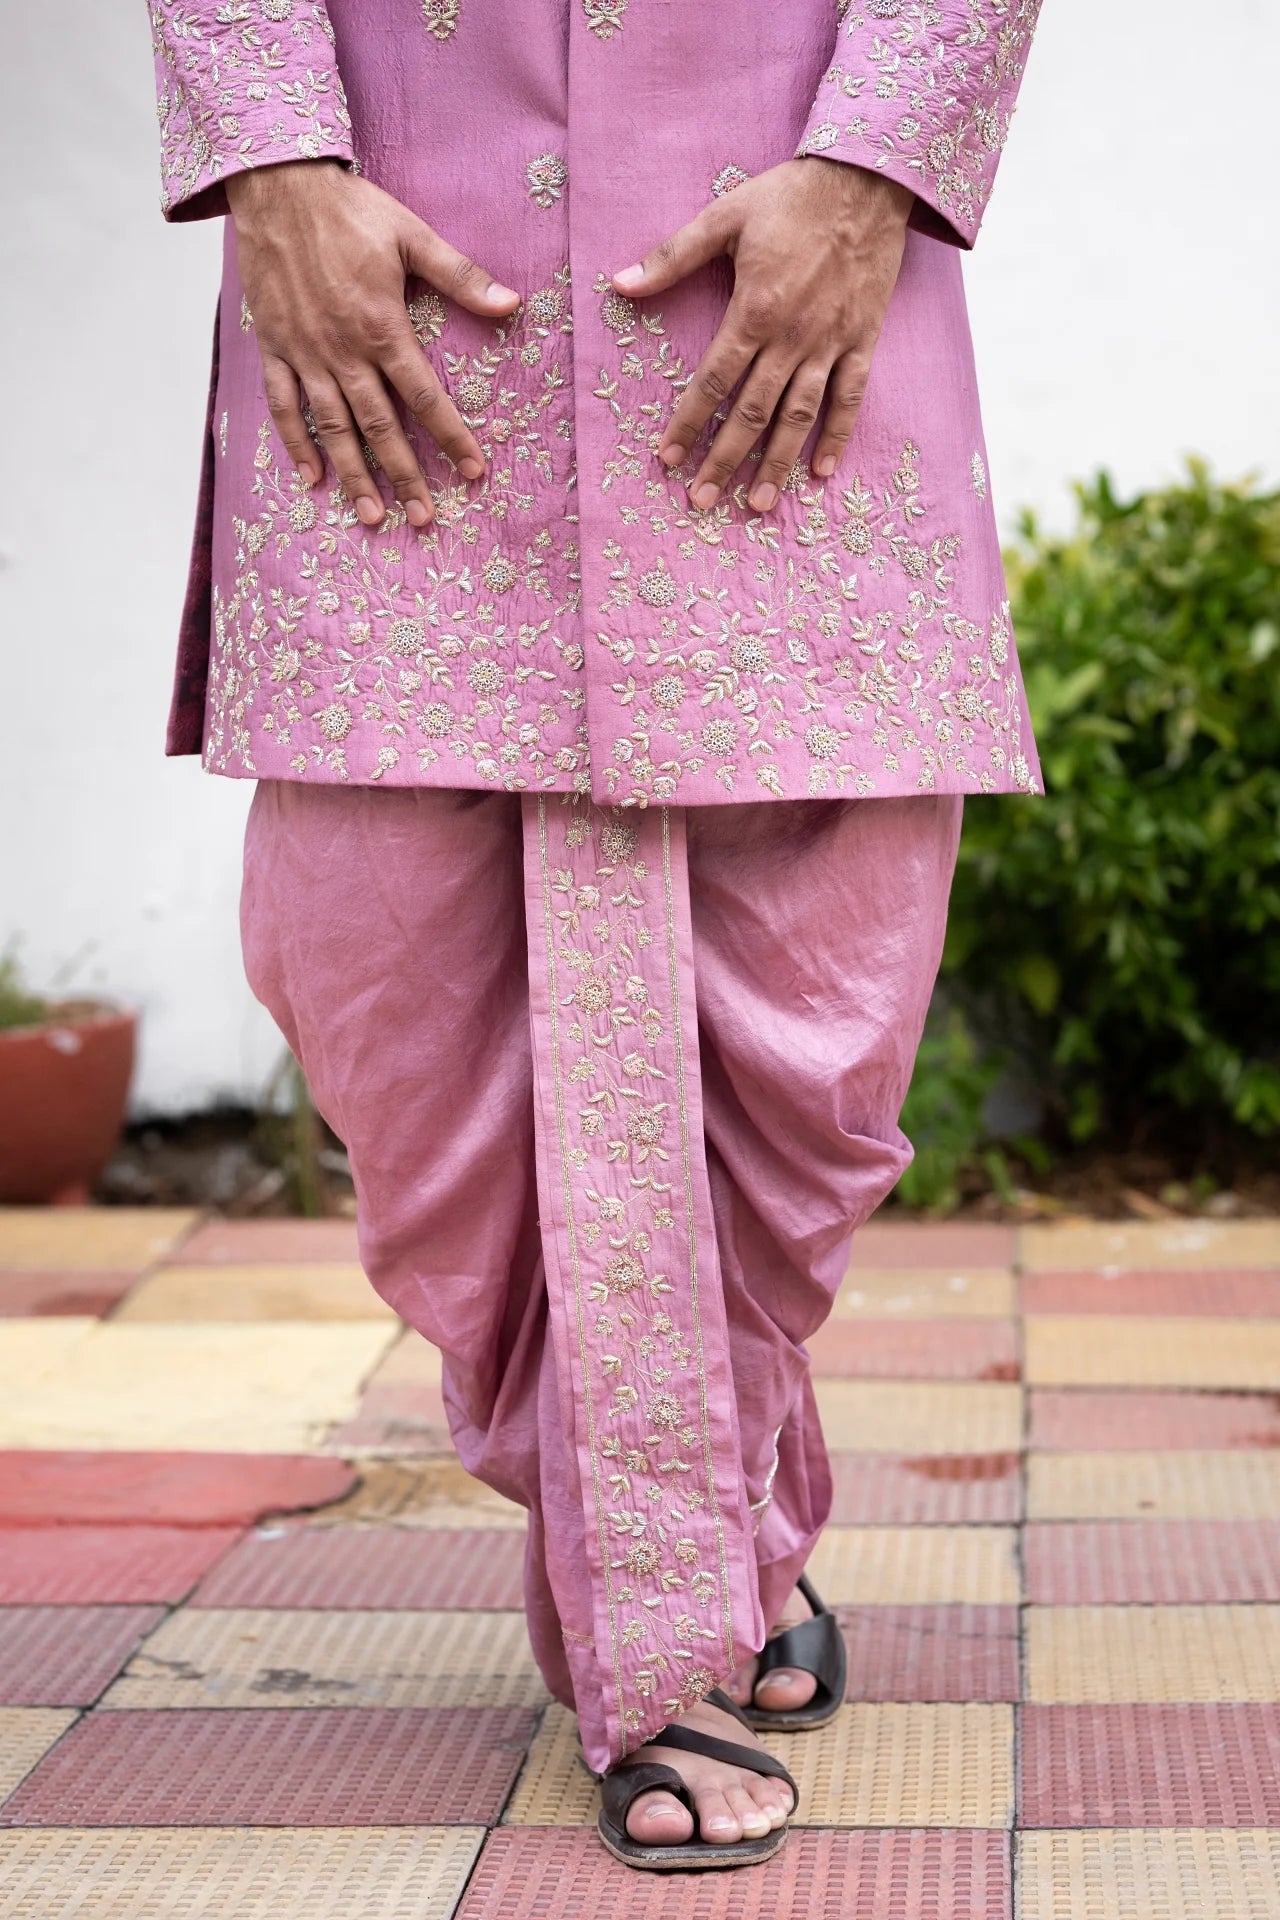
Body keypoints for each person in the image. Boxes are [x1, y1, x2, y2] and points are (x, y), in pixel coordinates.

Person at [147, 0, 1044, 1871]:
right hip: (398, 313)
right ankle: (713, 1548)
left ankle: (667, 1622)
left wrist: (880, 161)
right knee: (378, 984)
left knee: (818, 1021)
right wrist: (274, 165)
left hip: (776, 282)